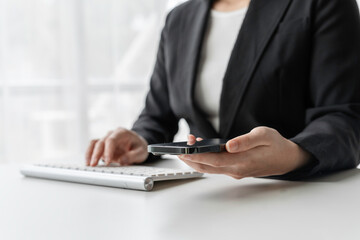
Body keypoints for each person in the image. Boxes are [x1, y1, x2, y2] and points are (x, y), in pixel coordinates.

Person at [85, 0, 360, 180]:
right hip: (204, 196)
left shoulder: (323, 4)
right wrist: (140, 140)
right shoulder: (179, 18)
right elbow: (157, 116)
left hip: (296, 194)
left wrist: (294, 153)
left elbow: (344, 118)